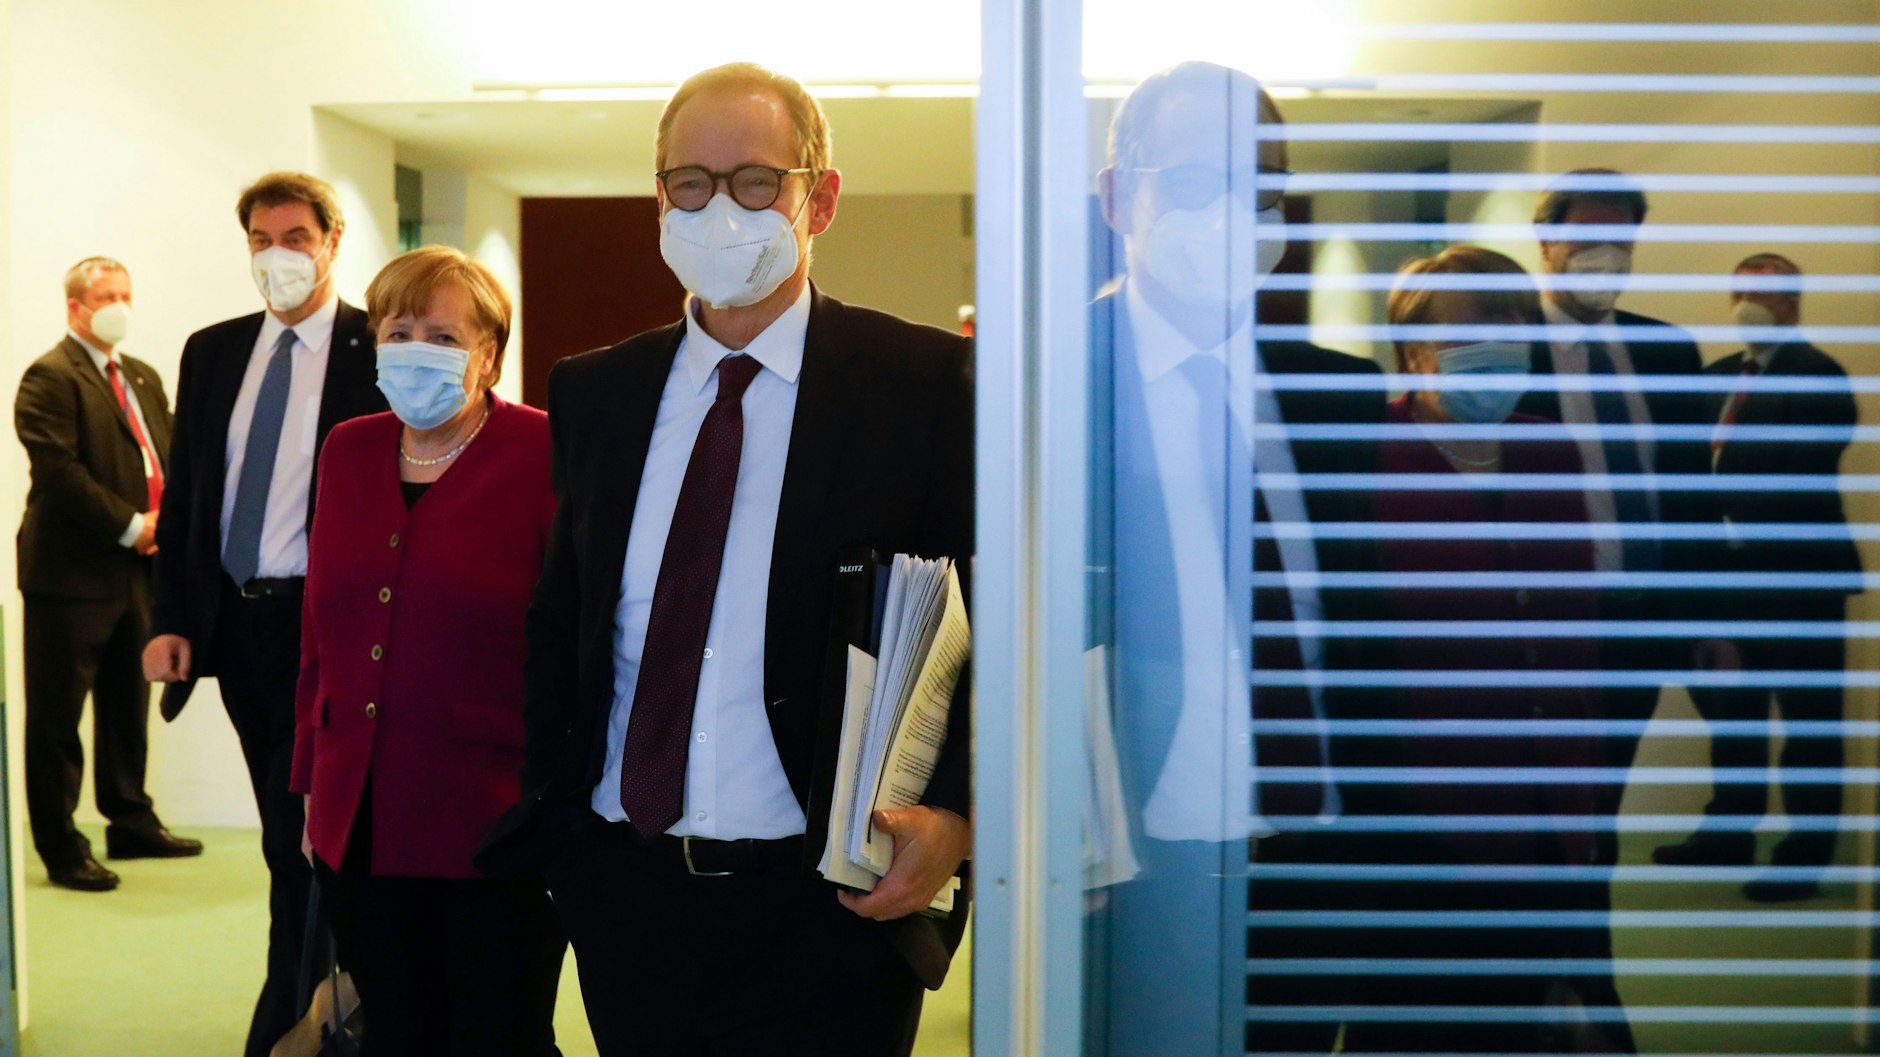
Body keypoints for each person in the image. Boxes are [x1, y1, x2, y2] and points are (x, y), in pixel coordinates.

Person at [476, 63, 973, 1056]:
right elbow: (562, 620)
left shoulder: (922, 386)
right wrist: (560, 837)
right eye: (689, 183)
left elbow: (989, 616)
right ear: (658, 198)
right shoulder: (596, 393)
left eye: (754, 181)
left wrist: (957, 810)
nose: (717, 209)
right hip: (627, 890)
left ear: (816, 198)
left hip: (827, 897)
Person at [1086, 61, 1385, 1056]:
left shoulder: (1342, 396)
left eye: (1258, 186)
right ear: (1117, 195)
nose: (1230, 213)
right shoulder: (1034, 385)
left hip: (1316, 856)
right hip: (1122, 860)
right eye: (1194, 179)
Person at [1353, 245, 1628, 1053]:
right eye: (1477, 321)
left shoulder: (1550, 447)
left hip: (1558, 794)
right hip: (1421, 812)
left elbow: (1577, 626)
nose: (1503, 339)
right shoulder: (1369, 452)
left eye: (1514, 319)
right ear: (1413, 345)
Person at [292, 246, 565, 1054]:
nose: (417, 349)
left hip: (493, 814)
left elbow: (574, 641)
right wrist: (312, 783)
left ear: (489, 353)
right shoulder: (349, 447)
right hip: (360, 813)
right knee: (395, 1027)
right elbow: (320, 632)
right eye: (399, 329)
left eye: (444, 336)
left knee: (498, 1031)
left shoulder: (545, 451)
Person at [143, 171, 387, 1057]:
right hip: (241, 630)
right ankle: (321, 1001)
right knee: (290, 833)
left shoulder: (376, 346)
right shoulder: (214, 352)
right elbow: (189, 499)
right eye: (259, 238)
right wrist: (171, 617)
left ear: (331, 240)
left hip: (332, 632)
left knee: (310, 839)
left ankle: (296, 1015)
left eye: (293, 236)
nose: (275, 255)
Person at [1517, 169, 1728, 857]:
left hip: (1641, 622)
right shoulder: (1502, 347)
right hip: (1541, 627)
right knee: (1541, 809)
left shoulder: (1668, 351)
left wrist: (1711, 622)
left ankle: (1587, 963)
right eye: (1586, 239)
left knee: (1602, 807)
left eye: (1621, 240)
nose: (1604, 257)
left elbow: (1693, 498)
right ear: (1545, 240)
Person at [1655, 253, 1859, 901]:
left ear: (1793, 303)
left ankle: (1804, 852)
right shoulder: (1714, 377)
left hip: (1799, 580)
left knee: (1808, 723)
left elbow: (1800, 473)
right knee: (1732, 713)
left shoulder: (1820, 375)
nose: (1749, 304)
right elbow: (1683, 467)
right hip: (1723, 579)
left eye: (1764, 294)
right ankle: (1728, 831)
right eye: (1740, 292)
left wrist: (1717, 497)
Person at [14, 257, 201, 892]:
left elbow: (172, 455)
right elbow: (60, 473)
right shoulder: (49, 377)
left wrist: (167, 522)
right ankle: (62, 846)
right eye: (105, 296)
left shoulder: (142, 377)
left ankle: (130, 821)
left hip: (137, 574)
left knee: (128, 702)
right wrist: (132, 524)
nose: (119, 304)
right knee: (57, 716)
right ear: (75, 306)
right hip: (69, 576)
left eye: (126, 293)